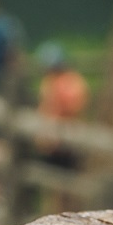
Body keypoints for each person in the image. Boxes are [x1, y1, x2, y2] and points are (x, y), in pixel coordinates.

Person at [35, 41, 90, 170]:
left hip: (66, 140)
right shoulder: (50, 82)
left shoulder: (70, 82)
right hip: (53, 140)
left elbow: (72, 107)